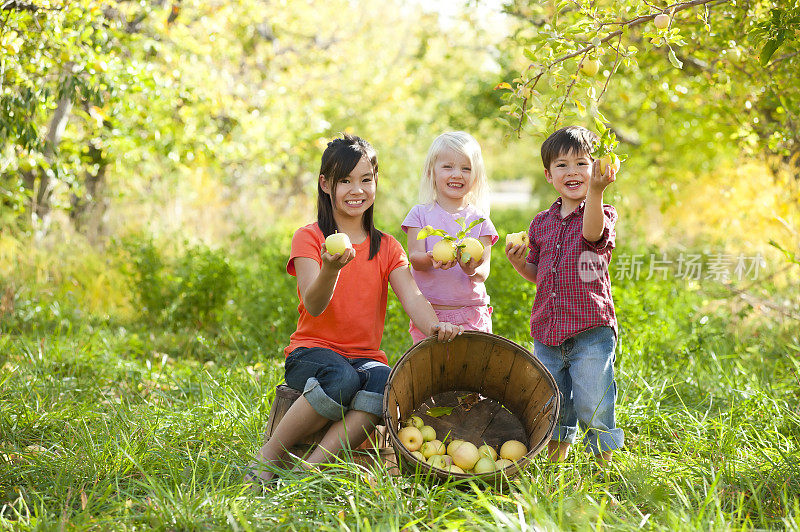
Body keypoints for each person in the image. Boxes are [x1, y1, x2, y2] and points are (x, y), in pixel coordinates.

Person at [246, 134, 463, 486]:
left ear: (376, 182)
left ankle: (308, 469)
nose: (356, 189)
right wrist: (331, 267)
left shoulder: (388, 247)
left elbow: (413, 298)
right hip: (311, 353)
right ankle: (267, 456)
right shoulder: (309, 238)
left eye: (366, 179)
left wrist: (437, 326)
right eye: (345, 180)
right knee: (342, 379)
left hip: (364, 357)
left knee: (383, 382)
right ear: (326, 184)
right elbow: (314, 306)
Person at [505, 125, 623, 465]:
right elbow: (538, 274)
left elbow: (592, 234)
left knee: (593, 401)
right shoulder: (540, 223)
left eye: (582, 164)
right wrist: (518, 263)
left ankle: (606, 469)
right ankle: (555, 465)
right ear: (548, 175)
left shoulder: (603, 213)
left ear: (596, 169)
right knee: (551, 401)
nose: (572, 172)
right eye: (562, 165)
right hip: (547, 330)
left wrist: (597, 192)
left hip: (589, 329)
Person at [401, 131, 498, 344]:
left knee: (472, 370)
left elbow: (483, 272)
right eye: (448, 167)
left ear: (476, 176)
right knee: (433, 371)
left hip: (471, 313)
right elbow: (415, 260)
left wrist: (470, 268)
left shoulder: (479, 220)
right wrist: (431, 258)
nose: (457, 174)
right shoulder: (419, 215)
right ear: (431, 172)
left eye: (466, 168)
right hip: (429, 313)